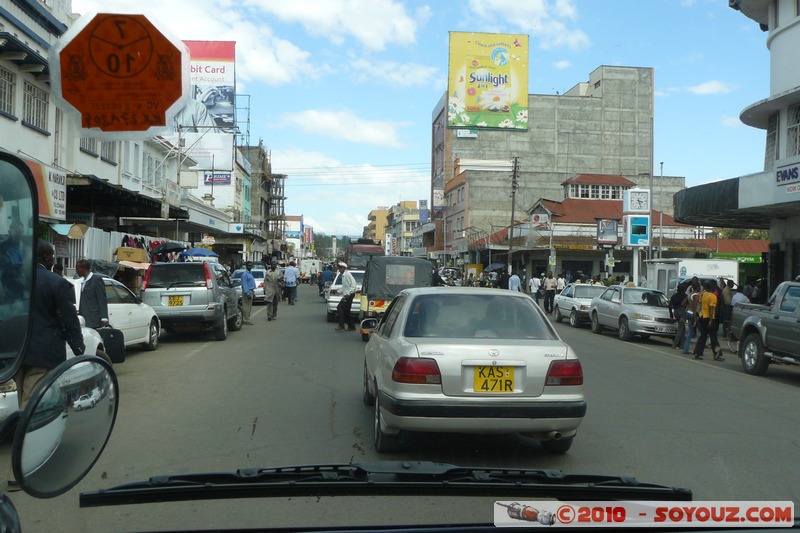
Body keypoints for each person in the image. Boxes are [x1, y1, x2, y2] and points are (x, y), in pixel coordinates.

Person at [75, 258, 109, 329]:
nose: (76, 271)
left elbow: (102, 299)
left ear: (84, 268)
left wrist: (104, 318)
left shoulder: (96, 280)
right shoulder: (83, 281)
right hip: (84, 319)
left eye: (77, 269)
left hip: (94, 320)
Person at [0, 219, 24, 303]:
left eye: (22, 232)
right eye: (19, 231)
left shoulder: (26, 246)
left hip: (22, 286)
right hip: (7, 286)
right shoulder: (3, 247)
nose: (20, 234)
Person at [335, 262, 357, 332]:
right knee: (346, 311)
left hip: (349, 295)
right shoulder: (343, 276)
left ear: (344, 268)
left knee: (340, 307)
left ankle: (341, 325)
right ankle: (351, 326)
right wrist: (339, 291)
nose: (339, 269)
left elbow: (353, 284)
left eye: (341, 268)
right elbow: (345, 287)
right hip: (347, 294)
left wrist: (349, 293)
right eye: (339, 268)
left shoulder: (348, 274)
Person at [682, 278, 701, 354]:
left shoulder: (690, 294)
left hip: (688, 313)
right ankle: (698, 350)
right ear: (697, 287)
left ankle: (685, 349)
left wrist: (688, 306)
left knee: (690, 332)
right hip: (694, 314)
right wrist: (695, 320)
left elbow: (683, 303)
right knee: (701, 333)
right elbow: (695, 308)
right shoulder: (696, 296)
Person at [670, 283, 687, 350]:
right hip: (682, 312)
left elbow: (670, 305)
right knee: (680, 328)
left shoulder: (674, 296)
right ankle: (675, 344)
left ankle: (682, 344)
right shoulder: (685, 296)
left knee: (683, 329)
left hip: (676, 312)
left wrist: (671, 314)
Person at [240, 261, 256, 325]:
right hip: (247, 291)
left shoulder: (250, 273)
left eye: (251, 265)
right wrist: (247, 293)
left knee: (249, 306)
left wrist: (253, 292)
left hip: (251, 291)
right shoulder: (245, 274)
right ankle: (245, 320)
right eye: (249, 265)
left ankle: (246, 318)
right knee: (246, 306)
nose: (250, 267)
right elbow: (244, 284)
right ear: (246, 266)